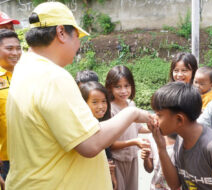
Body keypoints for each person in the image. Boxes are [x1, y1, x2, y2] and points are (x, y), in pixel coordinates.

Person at [5, 2, 151, 190]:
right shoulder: (52, 76)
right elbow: (90, 143)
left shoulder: (24, 68)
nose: (79, 43)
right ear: (61, 32)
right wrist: (132, 114)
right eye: (77, 36)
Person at [149, 82, 212, 190]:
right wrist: (161, 148)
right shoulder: (181, 138)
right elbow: (175, 184)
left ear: (179, 119)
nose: (154, 119)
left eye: (158, 115)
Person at [105, 65, 150, 190]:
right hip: (117, 160)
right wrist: (135, 142)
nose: (123, 91)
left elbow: (138, 128)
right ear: (110, 87)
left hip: (132, 158)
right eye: (118, 87)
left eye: (127, 86)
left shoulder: (131, 104)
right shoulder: (109, 109)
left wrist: (152, 128)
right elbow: (110, 144)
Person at [79, 81, 117, 190]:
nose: (101, 106)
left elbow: (108, 153)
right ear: (83, 103)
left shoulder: (102, 124)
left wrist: (112, 175)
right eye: (95, 102)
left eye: (104, 101)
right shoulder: (82, 128)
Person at [0, 29, 22, 186]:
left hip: (31, 153)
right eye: (9, 48)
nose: (15, 52)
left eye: (18, 48)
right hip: (4, 158)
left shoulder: (27, 75)